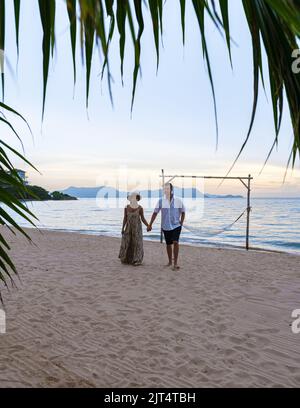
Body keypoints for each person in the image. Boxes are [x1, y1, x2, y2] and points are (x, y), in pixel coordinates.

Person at [148, 183, 185, 270]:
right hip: (166, 226)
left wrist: (181, 222)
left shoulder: (178, 201)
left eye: (168, 189)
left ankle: (175, 263)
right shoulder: (161, 201)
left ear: (171, 190)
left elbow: (183, 212)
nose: (166, 190)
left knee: (175, 242)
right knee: (168, 244)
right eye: (165, 189)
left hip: (176, 225)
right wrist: (150, 224)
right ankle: (170, 261)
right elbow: (155, 213)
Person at [119, 192, 149, 266]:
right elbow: (125, 218)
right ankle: (127, 259)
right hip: (128, 228)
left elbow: (142, 218)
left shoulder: (140, 208)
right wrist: (122, 228)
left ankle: (137, 260)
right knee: (127, 242)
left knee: (137, 244)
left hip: (137, 229)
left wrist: (148, 225)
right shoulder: (126, 208)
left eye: (136, 198)